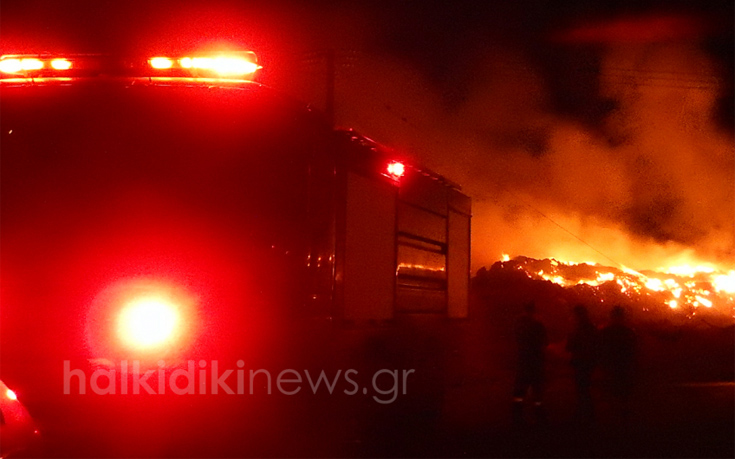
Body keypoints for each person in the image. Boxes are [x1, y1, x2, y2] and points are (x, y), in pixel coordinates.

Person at [512, 301, 548, 426]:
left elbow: (515, 339)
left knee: (520, 390)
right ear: (534, 311)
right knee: (537, 390)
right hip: (535, 362)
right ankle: (538, 416)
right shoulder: (538, 325)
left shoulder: (518, 324)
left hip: (523, 361)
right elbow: (545, 342)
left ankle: (517, 415)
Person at [599, 305, 636, 422]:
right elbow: (634, 350)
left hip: (612, 367)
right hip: (622, 366)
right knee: (622, 394)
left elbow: (599, 349)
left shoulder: (606, 332)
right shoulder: (628, 332)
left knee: (612, 393)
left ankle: (613, 418)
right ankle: (621, 418)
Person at [566, 304, 598, 423]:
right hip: (589, 363)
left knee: (581, 389)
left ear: (577, 315)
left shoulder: (577, 329)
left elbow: (569, 347)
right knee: (585, 389)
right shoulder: (592, 328)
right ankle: (587, 414)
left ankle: (584, 415)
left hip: (580, 362)